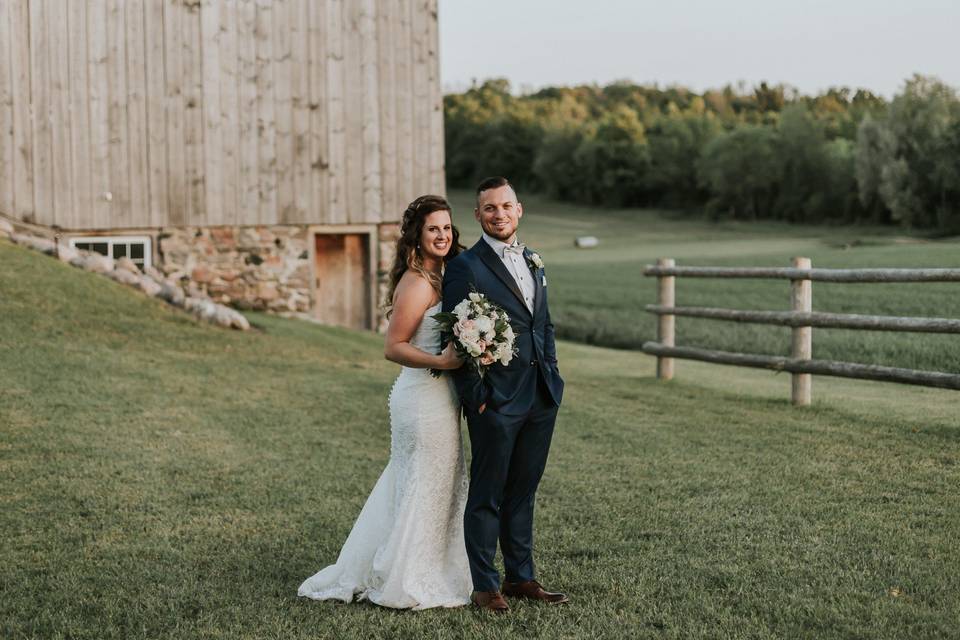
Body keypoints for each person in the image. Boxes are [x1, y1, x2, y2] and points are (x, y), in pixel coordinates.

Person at [298, 195, 472, 609]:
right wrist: (443, 361)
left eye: (447, 228)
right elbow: (392, 347)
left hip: (442, 397)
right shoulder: (415, 282)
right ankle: (407, 577)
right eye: (434, 228)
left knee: (435, 483)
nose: (443, 235)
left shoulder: (445, 276)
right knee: (423, 483)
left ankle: (431, 567)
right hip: (422, 396)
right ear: (418, 234)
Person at [442, 177, 567, 613]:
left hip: (540, 395)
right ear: (477, 215)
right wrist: (476, 395)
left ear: (519, 209)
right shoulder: (466, 267)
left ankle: (521, 578)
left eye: (506, 206)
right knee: (488, 493)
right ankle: (485, 586)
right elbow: (459, 335)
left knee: (523, 491)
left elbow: (542, 325)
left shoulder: (533, 259)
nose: (499, 214)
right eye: (489, 208)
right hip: (494, 400)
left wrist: (552, 375)